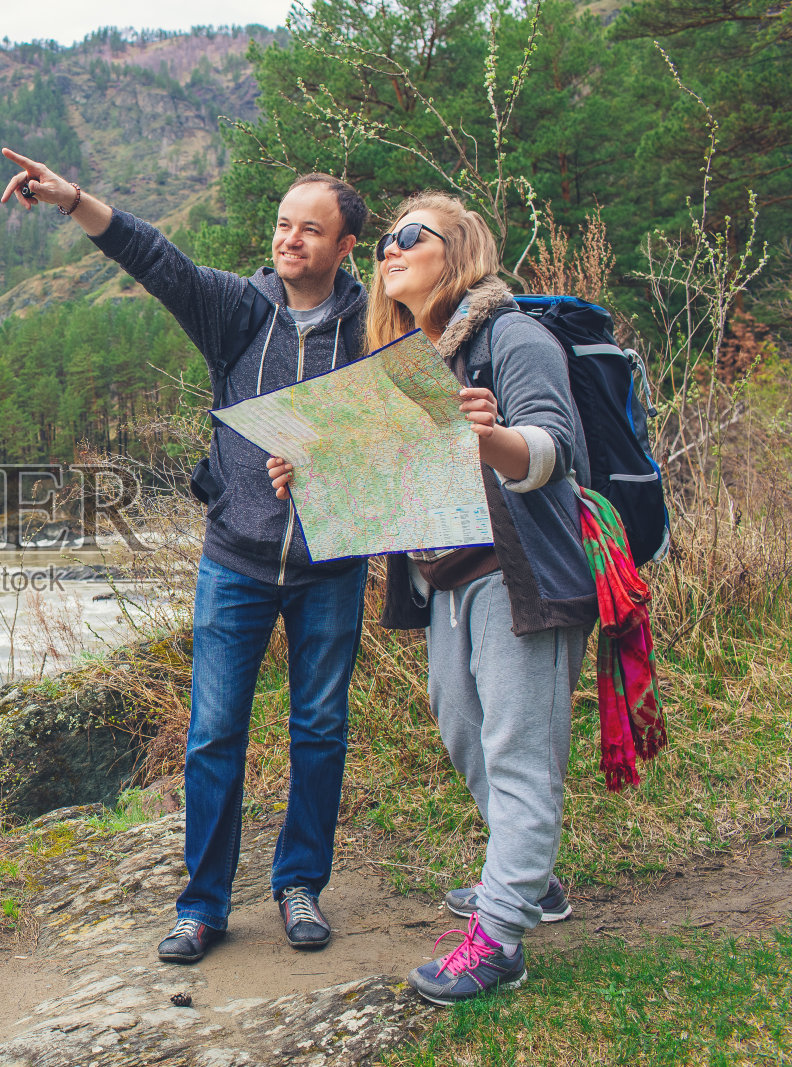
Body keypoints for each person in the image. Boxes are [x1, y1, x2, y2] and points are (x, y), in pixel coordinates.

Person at [0, 147, 370, 960]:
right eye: (282, 224)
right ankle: (202, 905)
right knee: (212, 735)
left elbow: (403, 435)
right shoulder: (239, 310)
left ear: (347, 247)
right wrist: (72, 201)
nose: (290, 240)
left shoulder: (378, 326)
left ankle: (300, 882)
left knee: (319, 728)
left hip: (334, 563)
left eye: (311, 230)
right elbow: (155, 257)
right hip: (235, 556)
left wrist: (333, 462)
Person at [270, 191, 597, 1004]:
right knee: (465, 733)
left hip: (517, 576)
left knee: (519, 750)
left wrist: (491, 439)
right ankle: (533, 880)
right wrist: (314, 474)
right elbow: (398, 485)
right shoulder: (415, 359)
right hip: (446, 584)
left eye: (409, 236)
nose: (389, 249)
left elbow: (554, 450)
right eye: (382, 240)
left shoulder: (514, 336)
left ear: (459, 249)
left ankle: (499, 938)